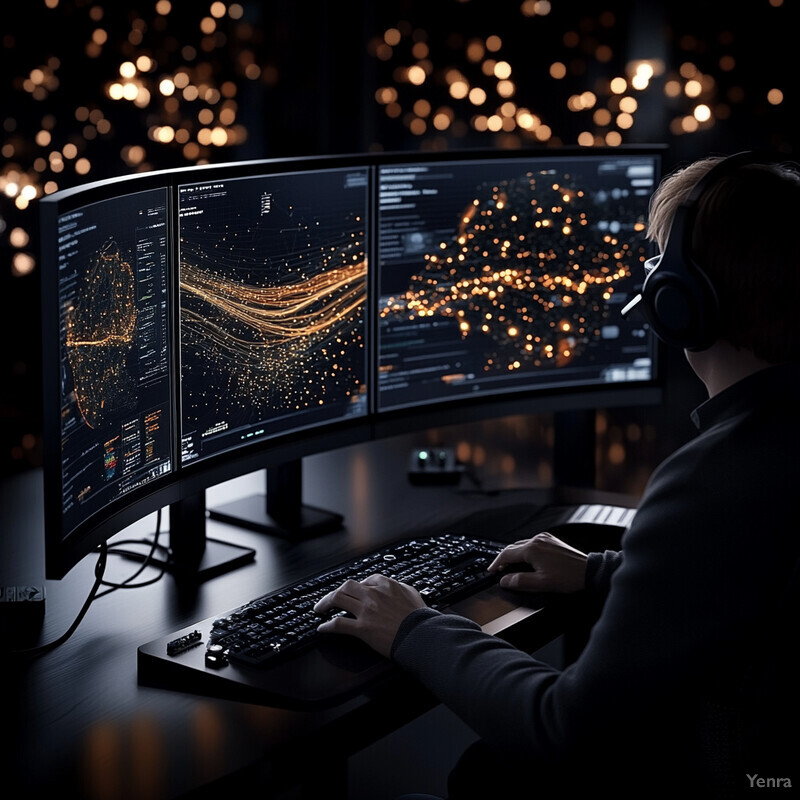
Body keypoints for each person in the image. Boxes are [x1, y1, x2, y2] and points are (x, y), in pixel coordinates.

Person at [314, 153, 800, 798]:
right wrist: (603, 573)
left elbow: (565, 728)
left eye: (658, 263)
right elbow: (749, 587)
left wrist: (415, 628)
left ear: (684, 300)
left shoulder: (716, 476)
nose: (650, 278)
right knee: (488, 774)